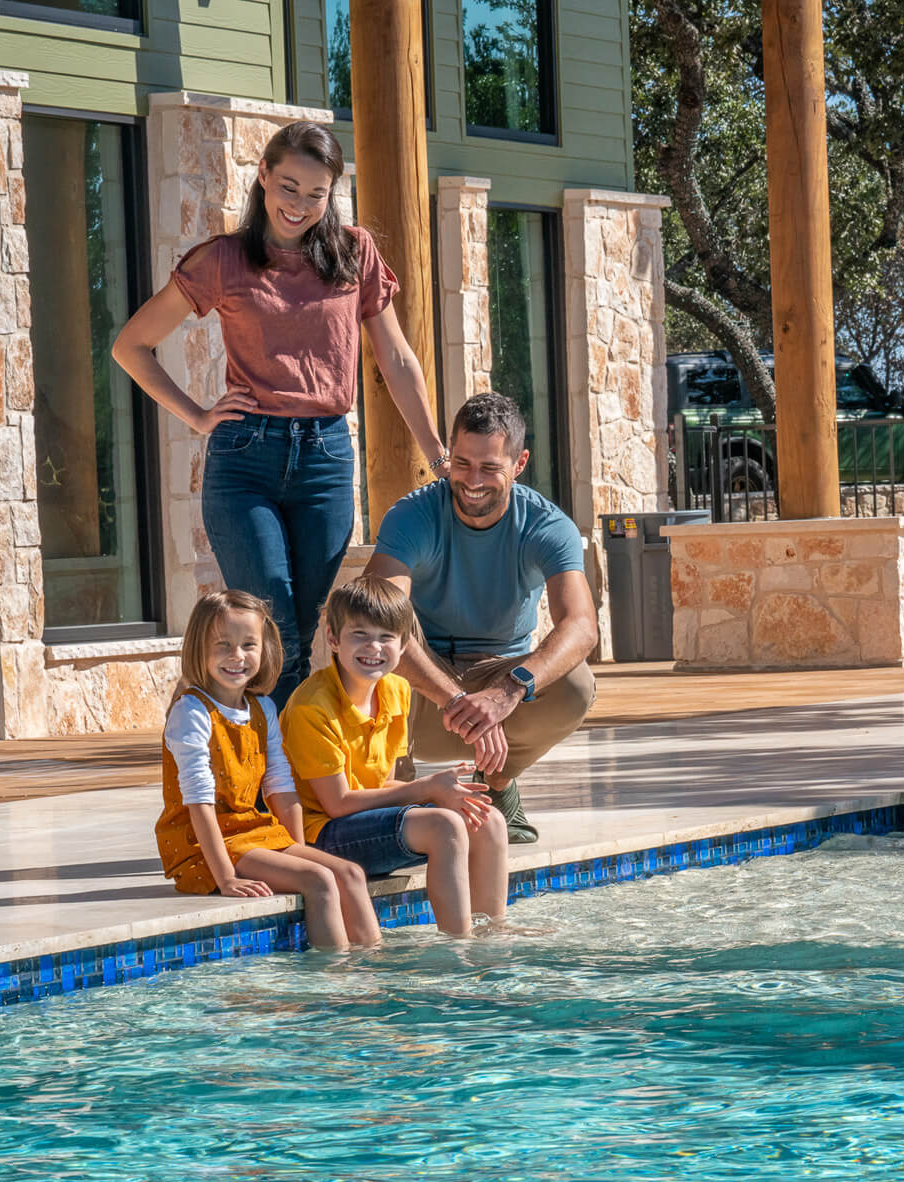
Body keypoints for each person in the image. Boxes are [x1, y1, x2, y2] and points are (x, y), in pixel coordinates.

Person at [113, 120, 446, 706]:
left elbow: (395, 359)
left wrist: (437, 453)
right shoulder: (223, 259)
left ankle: (269, 751)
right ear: (264, 175)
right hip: (246, 460)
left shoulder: (353, 253)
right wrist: (197, 415)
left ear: (331, 194)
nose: (299, 205)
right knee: (274, 625)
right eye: (288, 186)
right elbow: (131, 345)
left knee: (304, 624)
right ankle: (275, 755)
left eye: (316, 193)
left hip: (325, 459)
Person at [365, 391, 599, 844]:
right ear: (449, 455)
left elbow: (581, 626)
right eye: (462, 463)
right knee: (377, 637)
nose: (472, 480)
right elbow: (375, 614)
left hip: (498, 675)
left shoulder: (547, 525)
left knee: (575, 684)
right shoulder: (412, 515)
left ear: (519, 462)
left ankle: (497, 781)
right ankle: (397, 797)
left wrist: (507, 692)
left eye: (489, 467)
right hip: (422, 686)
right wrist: (455, 698)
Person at [280, 578, 509, 936]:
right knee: (443, 826)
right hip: (320, 834)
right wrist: (427, 789)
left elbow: (381, 784)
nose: (374, 647)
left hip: (366, 821)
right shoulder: (312, 707)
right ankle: (459, 945)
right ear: (333, 639)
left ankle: (492, 934)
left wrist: (444, 793)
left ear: (403, 646)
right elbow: (337, 804)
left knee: (488, 819)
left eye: (386, 636)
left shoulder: (397, 690)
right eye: (359, 634)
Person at [154, 589, 380, 951]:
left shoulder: (262, 708)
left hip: (252, 832)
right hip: (202, 845)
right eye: (223, 645)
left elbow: (280, 786)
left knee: (350, 874)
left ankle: (373, 970)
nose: (237, 656)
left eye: (249, 645)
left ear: (265, 648)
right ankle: (335, 977)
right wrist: (226, 878)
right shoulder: (191, 712)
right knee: (319, 880)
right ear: (198, 648)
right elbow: (198, 801)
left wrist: (297, 851)